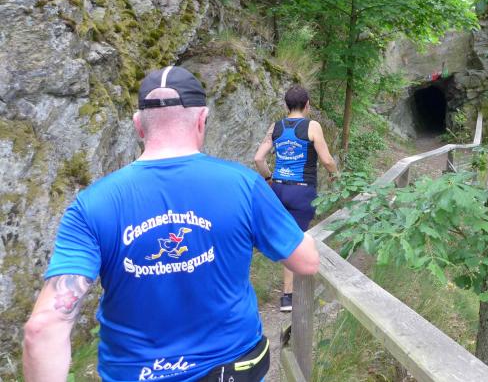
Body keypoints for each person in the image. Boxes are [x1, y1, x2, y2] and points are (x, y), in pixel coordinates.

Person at [23, 66, 319, 382]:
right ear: (202, 120)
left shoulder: (91, 205)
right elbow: (306, 261)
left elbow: (43, 329)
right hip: (231, 367)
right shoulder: (244, 185)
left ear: (138, 125)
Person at [254, 85, 337, 312]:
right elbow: (327, 160)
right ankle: (292, 295)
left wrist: (269, 178)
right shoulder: (312, 126)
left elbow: (259, 158)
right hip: (302, 190)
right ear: (307, 104)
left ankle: (289, 294)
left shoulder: (276, 127)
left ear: (286, 105)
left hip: (279, 189)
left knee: (288, 238)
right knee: (298, 240)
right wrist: (335, 175)